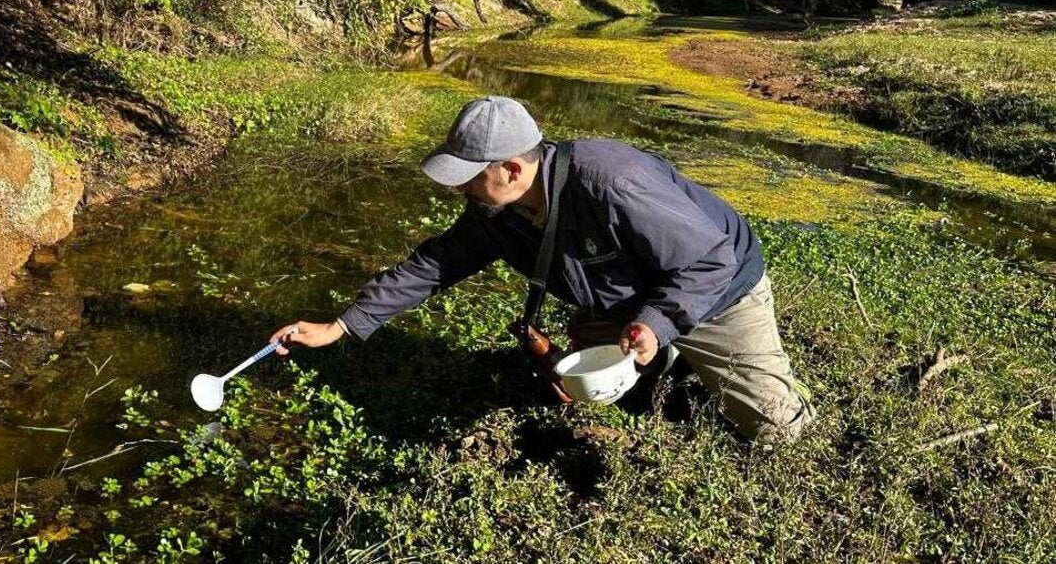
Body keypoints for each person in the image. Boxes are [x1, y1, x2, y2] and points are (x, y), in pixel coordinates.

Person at [271, 96, 814, 442]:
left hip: (718, 292)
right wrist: (342, 324)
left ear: (510, 168)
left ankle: (683, 351)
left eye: (466, 175)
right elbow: (439, 262)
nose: (457, 186)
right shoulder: (496, 207)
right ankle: (669, 360)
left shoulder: (612, 181)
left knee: (775, 431)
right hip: (627, 295)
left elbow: (709, 259)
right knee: (579, 383)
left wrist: (656, 321)